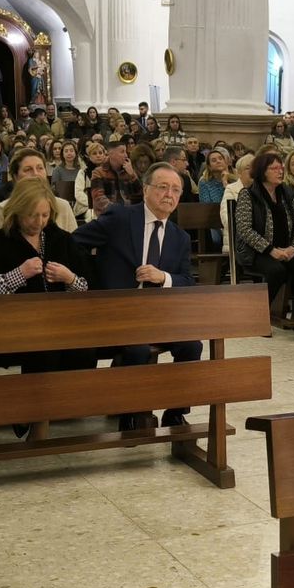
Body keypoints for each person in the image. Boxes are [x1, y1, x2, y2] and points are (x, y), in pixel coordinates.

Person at [73, 163, 200, 427]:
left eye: (176, 190)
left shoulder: (180, 237)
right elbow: (75, 242)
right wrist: (93, 280)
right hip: (116, 313)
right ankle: (129, 412)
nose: (169, 194)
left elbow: (187, 281)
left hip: (158, 315)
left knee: (192, 345)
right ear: (145, 189)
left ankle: (176, 411)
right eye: (163, 187)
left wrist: (162, 277)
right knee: (137, 349)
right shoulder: (121, 217)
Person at [0, 180, 94, 405]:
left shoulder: (61, 239)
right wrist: (19, 274)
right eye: (32, 215)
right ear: (17, 210)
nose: (39, 222)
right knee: (42, 350)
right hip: (15, 324)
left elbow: (87, 287)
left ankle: (57, 403)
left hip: (60, 321)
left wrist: (68, 278)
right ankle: (32, 408)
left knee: (84, 349)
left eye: (44, 215)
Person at [234, 151, 294, 321]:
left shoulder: (287, 193)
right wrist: (270, 250)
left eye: (281, 167)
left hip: (286, 249)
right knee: (277, 271)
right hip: (258, 252)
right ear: (262, 171)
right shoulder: (248, 195)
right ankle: (259, 316)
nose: (280, 171)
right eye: (274, 168)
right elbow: (245, 229)